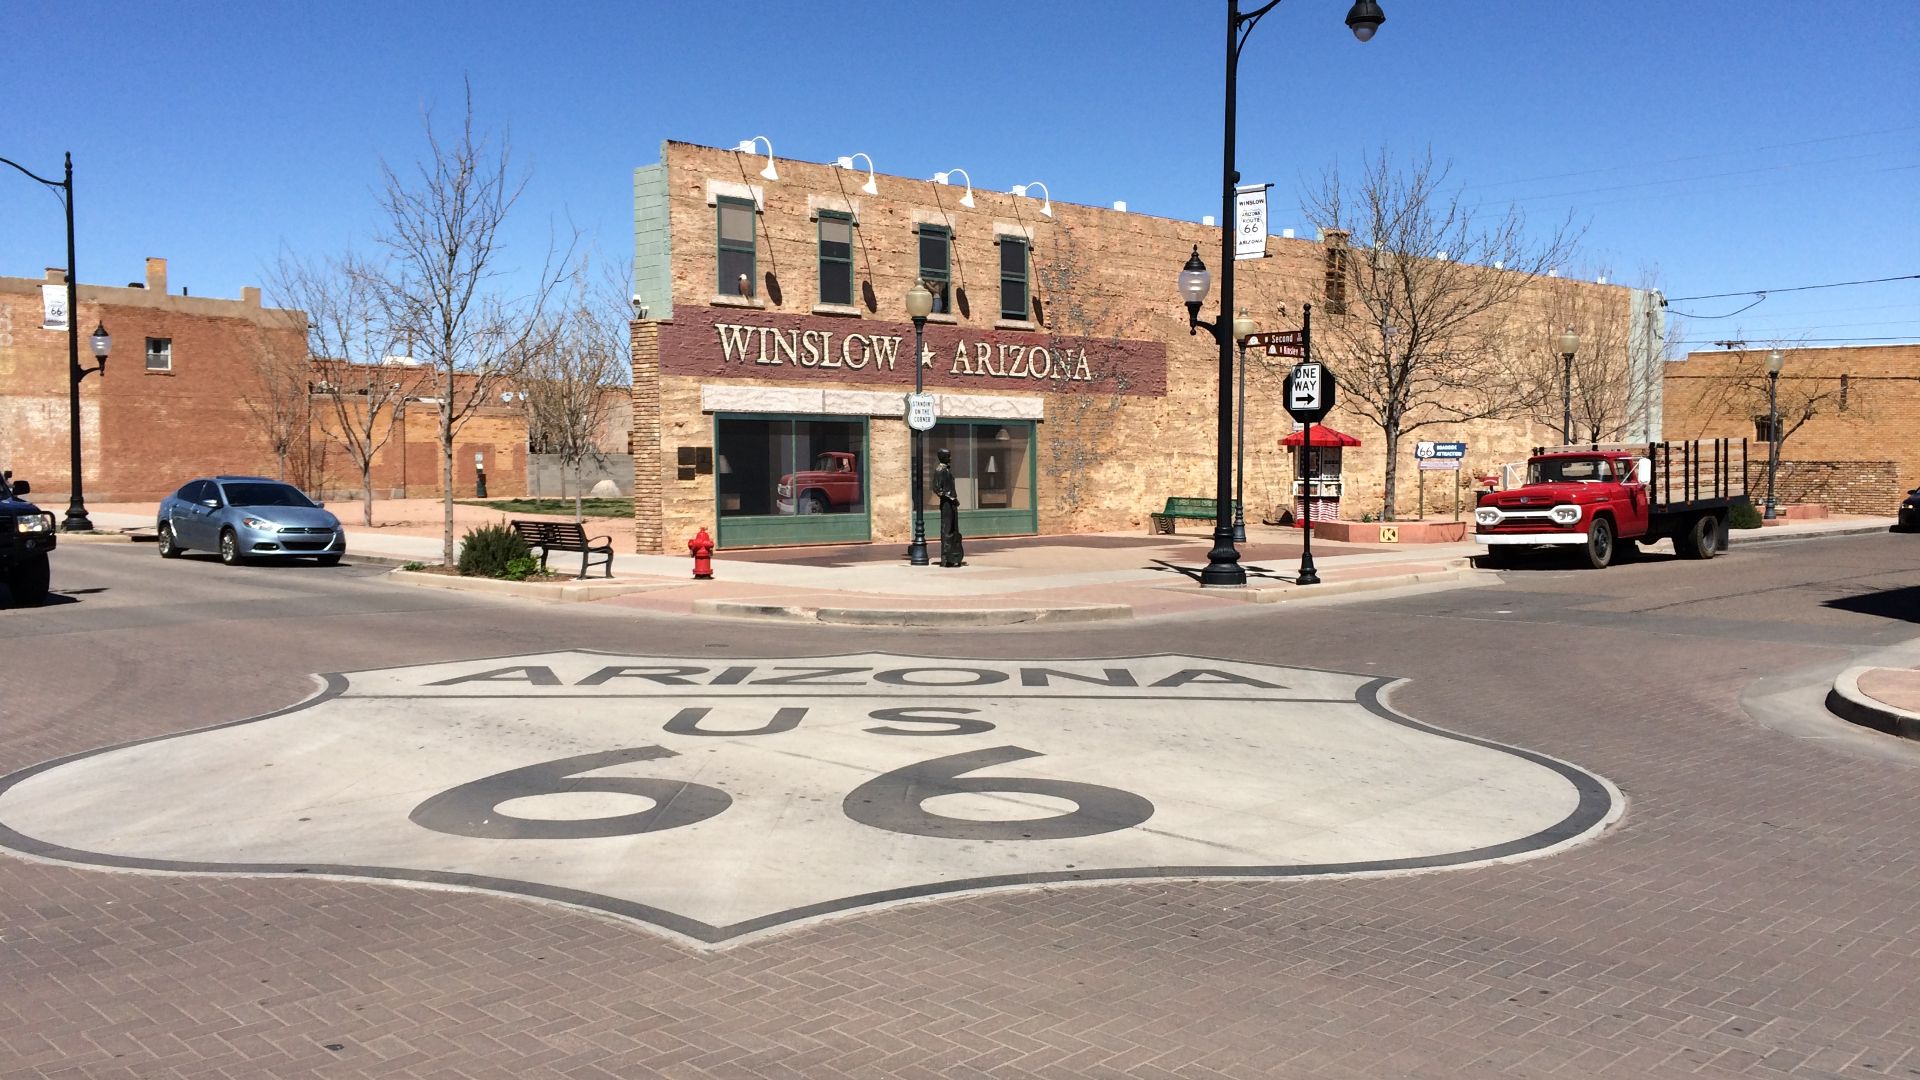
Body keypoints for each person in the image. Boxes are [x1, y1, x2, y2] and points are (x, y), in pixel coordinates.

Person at [933, 448, 964, 567]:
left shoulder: (946, 469)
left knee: (954, 528)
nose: (950, 458)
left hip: (952, 503)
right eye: (948, 456)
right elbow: (937, 489)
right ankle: (946, 556)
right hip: (947, 503)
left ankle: (954, 553)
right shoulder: (939, 470)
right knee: (947, 529)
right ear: (943, 457)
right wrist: (951, 498)